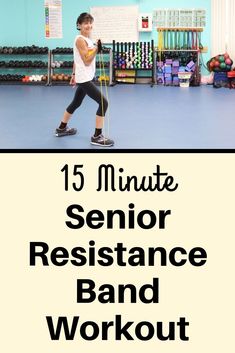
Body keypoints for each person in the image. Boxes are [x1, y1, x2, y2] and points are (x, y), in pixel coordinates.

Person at [55, 12, 114, 147]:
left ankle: (61, 128)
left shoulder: (88, 40)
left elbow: (77, 59)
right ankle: (97, 136)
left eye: (89, 23)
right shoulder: (80, 39)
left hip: (83, 77)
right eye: (85, 23)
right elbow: (87, 60)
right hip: (85, 79)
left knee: (76, 102)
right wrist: (97, 49)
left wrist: (74, 75)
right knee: (104, 103)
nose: (88, 25)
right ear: (79, 25)